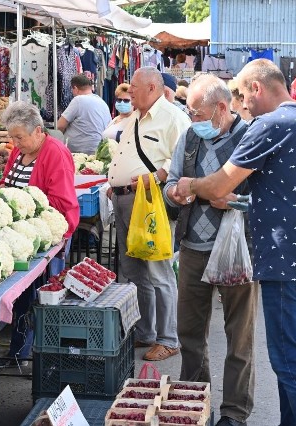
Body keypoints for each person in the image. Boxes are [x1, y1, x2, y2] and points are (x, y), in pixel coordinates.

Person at [174, 59, 296, 425]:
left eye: (243, 95)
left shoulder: (271, 124)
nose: (242, 105)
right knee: (291, 361)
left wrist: (192, 185)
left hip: (286, 262)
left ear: (257, 88)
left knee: (291, 363)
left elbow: (218, 185)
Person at [163, 74, 257, 426]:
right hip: (192, 249)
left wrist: (237, 202)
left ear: (221, 108)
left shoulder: (250, 137)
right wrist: (175, 192)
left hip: (237, 251)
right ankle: (194, 401)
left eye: (198, 113)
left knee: (239, 337)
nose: (192, 121)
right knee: (190, 332)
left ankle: (234, 412)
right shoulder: (189, 137)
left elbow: (265, 197)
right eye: (189, 113)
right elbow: (173, 182)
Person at [107, 66, 190, 361]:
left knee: (158, 270)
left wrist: (155, 177)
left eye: (133, 89)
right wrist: (113, 181)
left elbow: (183, 159)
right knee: (132, 269)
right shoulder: (135, 117)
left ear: (152, 88)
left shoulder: (173, 118)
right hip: (124, 199)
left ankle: (169, 338)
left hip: (150, 202)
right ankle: (145, 331)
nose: (128, 95)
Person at [0, 100, 80, 365]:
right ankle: (18, 347)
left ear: (37, 131)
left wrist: (24, 206)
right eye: (12, 137)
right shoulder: (18, 152)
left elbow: (62, 202)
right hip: (19, 231)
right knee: (20, 293)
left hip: (47, 236)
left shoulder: (55, 153)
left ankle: (29, 352)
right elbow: (6, 181)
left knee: (36, 294)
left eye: (19, 137)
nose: (15, 143)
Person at [57, 74, 111, 155]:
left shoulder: (78, 100)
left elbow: (60, 125)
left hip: (79, 153)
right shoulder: (102, 102)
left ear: (75, 88)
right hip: (99, 150)